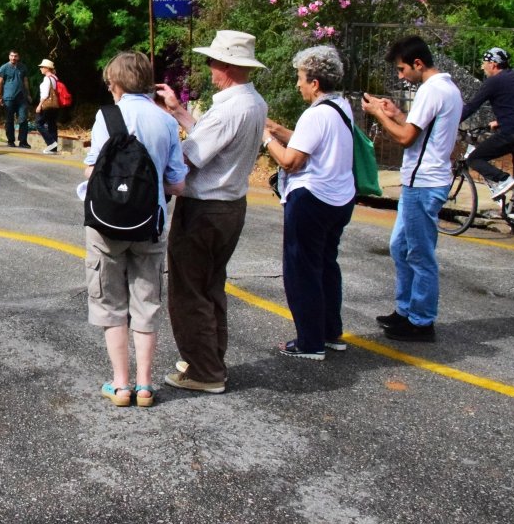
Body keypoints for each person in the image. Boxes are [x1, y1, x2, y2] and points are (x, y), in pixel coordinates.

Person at [154, 30, 268, 394]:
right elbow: (211, 138)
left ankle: (204, 370)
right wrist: (179, 113)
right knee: (210, 284)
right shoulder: (253, 102)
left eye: (214, 61)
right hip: (231, 205)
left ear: (228, 66)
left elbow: (191, 157)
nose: (210, 68)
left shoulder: (228, 109)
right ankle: (211, 357)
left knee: (188, 290)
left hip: (205, 208)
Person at [86, 52, 187, 407]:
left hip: (106, 223)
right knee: (146, 302)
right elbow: (176, 184)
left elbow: (91, 170)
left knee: (110, 302)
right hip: (150, 223)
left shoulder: (105, 116)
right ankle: (145, 385)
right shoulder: (164, 121)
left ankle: (121, 383)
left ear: (115, 82)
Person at [362, 35, 461, 342]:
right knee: (400, 247)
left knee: (419, 254)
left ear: (418, 64)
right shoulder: (447, 89)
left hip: (424, 182)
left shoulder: (432, 91)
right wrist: (396, 114)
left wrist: (379, 114)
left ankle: (421, 321)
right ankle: (406, 310)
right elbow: (419, 131)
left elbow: (405, 139)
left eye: (403, 69)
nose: (400, 75)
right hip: (422, 181)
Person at [262, 46, 356, 360]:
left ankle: (309, 341)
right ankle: (330, 333)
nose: (298, 85)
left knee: (302, 270)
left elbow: (292, 161)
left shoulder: (315, 114)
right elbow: (311, 140)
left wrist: (267, 140)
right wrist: (277, 129)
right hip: (340, 199)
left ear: (315, 83)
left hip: (311, 199)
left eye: (300, 78)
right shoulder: (341, 107)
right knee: (327, 265)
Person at [459, 47, 514, 198]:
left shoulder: (493, 82)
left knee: (474, 159)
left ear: (493, 64)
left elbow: (472, 106)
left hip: (512, 134)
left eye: (484, 63)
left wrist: (451, 122)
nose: (482, 67)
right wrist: (500, 121)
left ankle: (503, 179)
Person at [0, 50, 31, 148]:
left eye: (15, 56)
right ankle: (10, 141)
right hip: (8, 98)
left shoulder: (23, 67)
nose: (13, 58)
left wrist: (28, 95)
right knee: (9, 120)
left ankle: (23, 141)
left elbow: (25, 81)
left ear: (18, 57)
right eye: (12, 56)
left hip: (22, 97)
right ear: (9, 56)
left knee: (23, 119)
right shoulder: (4, 68)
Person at [36, 59, 61, 153]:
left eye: (42, 67)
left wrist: (39, 105)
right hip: (54, 105)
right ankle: (53, 149)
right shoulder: (54, 78)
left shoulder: (47, 78)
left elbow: (45, 94)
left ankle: (51, 143)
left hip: (47, 105)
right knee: (52, 125)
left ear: (47, 68)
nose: (41, 69)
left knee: (38, 123)